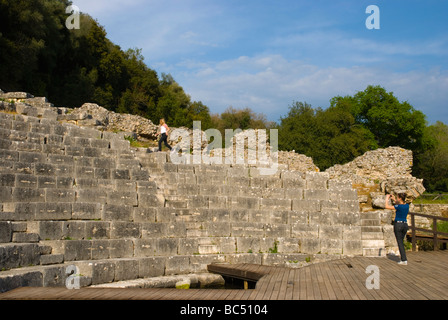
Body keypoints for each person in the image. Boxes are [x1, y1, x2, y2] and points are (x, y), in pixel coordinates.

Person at [385, 193, 409, 265]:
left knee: (400, 242)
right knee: (401, 241)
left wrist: (387, 198)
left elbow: (387, 206)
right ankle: (403, 257)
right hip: (405, 225)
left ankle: (404, 260)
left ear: (400, 199)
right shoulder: (407, 206)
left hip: (398, 225)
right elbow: (399, 204)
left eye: (398, 197)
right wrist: (394, 199)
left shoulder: (398, 206)